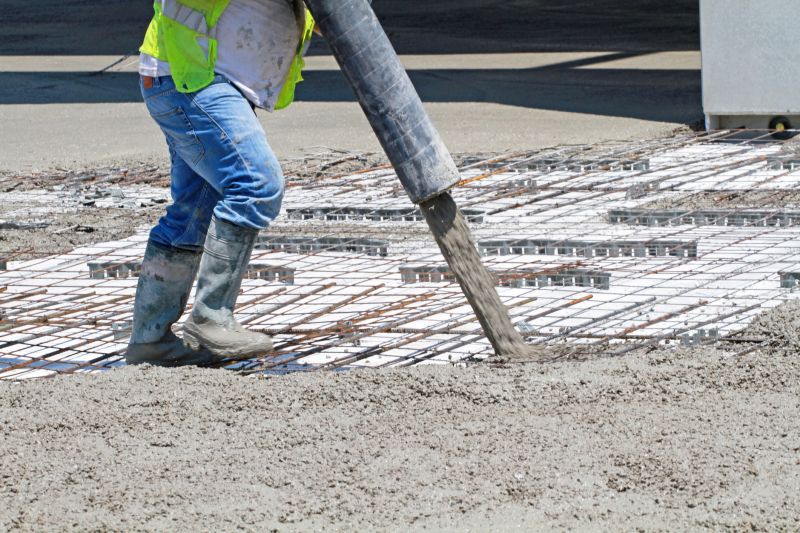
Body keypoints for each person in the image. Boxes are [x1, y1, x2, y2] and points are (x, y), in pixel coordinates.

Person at [126, 0, 315, 366]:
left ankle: (150, 340)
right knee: (256, 184)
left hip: (203, 78)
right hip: (190, 77)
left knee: (192, 214)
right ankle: (211, 317)